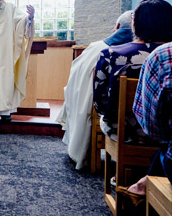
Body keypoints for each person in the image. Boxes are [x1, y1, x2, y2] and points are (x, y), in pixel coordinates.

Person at [57, 11, 133, 170]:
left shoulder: (98, 49)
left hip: (109, 114)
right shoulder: (157, 52)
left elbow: (77, 80)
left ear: (117, 27)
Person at [94, 0, 172, 142]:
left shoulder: (111, 55)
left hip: (124, 131)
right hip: (171, 134)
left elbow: (101, 105)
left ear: (135, 23)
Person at [119, 39, 172, 200]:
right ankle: (142, 186)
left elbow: (153, 129)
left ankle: (141, 190)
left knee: (169, 146)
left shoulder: (166, 56)